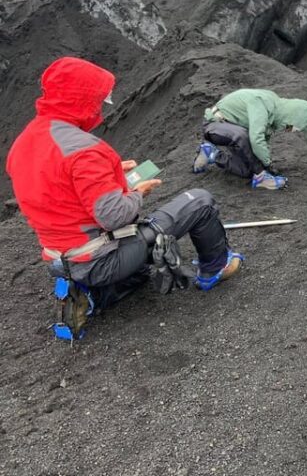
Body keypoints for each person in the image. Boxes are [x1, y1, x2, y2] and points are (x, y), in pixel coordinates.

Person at [5, 57, 241, 333]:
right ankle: (215, 269)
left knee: (141, 274)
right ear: (81, 98)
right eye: (99, 100)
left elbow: (57, 186)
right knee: (199, 201)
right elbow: (115, 215)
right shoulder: (84, 150)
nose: (101, 108)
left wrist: (111, 171)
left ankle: (92, 297)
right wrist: (136, 192)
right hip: (100, 260)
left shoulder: (26, 142)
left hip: (61, 257)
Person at [193, 89, 307, 190]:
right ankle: (262, 179)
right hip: (215, 125)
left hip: (232, 130)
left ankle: (212, 154)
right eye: (291, 127)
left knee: (248, 171)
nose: (289, 130)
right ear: (290, 115)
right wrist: (267, 165)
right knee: (243, 137)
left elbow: (262, 140)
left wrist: (262, 164)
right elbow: (256, 138)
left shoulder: (273, 113)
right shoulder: (263, 104)